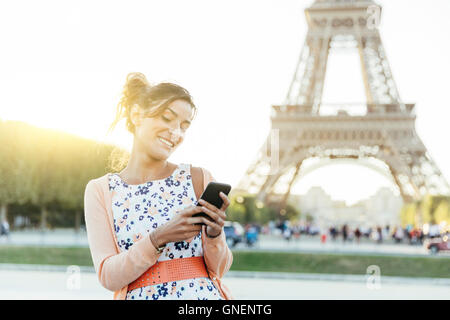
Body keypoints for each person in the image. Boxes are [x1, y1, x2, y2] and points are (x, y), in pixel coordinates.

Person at [84, 72, 233, 300]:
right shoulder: (101, 190)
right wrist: (157, 239)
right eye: (166, 118)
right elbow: (108, 277)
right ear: (136, 114)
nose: (176, 132)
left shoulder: (198, 177)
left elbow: (219, 270)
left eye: (184, 126)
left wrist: (214, 235)